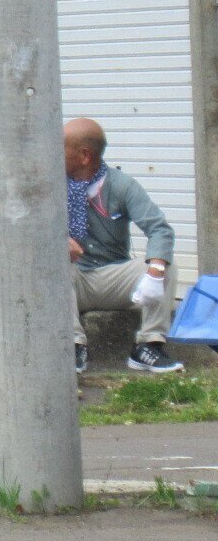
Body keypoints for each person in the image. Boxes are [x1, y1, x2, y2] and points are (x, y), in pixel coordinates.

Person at [66, 117, 181, 373]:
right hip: (72, 279)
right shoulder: (49, 185)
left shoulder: (121, 185)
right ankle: (71, 345)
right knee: (54, 267)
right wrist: (56, 243)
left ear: (85, 156)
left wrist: (156, 269)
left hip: (112, 276)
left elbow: (159, 229)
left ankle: (149, 345)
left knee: (166, 266)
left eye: (62, 148)